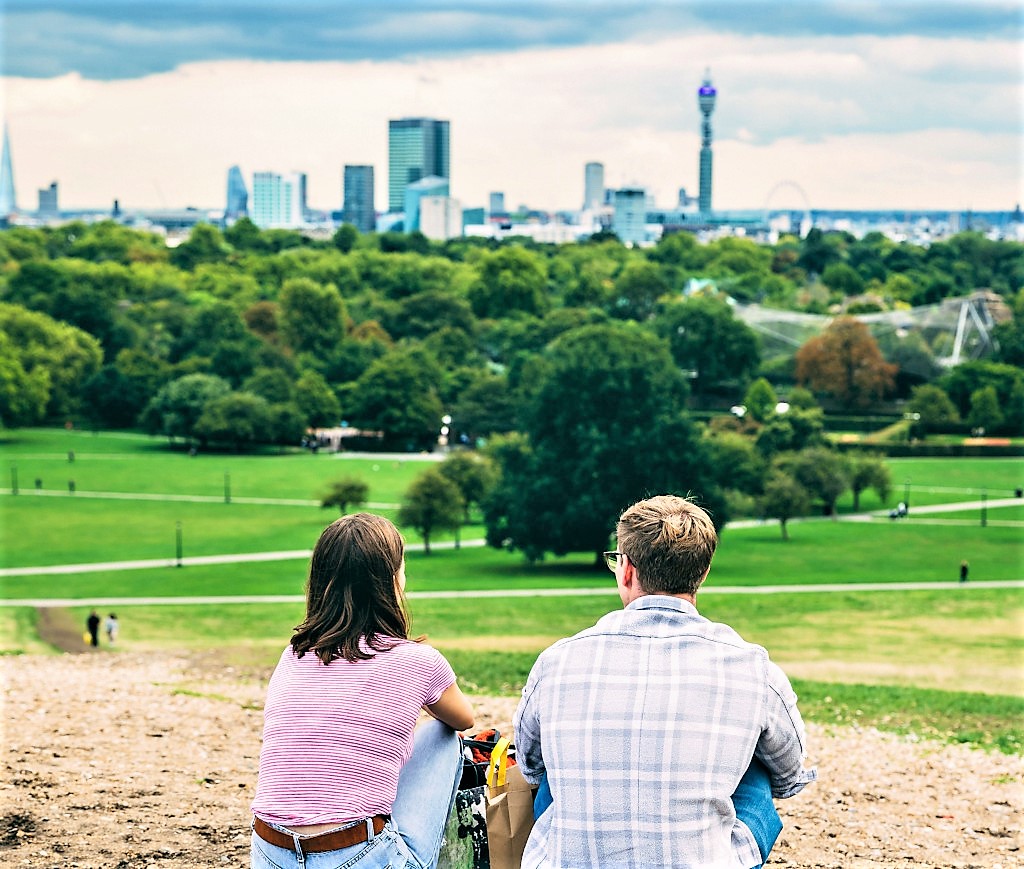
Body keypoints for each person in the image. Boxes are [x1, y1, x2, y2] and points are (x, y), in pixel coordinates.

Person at [514, 494, 817, 869]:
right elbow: (788, 776)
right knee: (758, 758)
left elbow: (529, 765)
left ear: (626, 569)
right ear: (703, 573)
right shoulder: (753, 667)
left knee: (554, 773)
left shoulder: (557, 660)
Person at [250, 513, 474, 869]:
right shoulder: (419, 661)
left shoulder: (294, 654)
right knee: (442, 735)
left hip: (270, 852)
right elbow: (464, 718)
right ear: (394, 582)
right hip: (356, 856)